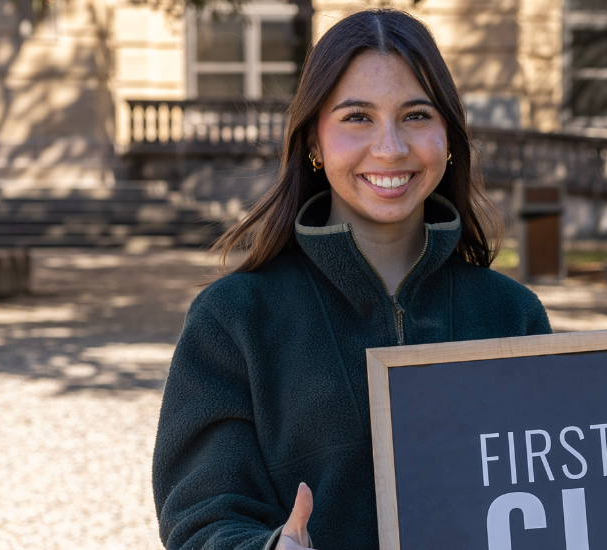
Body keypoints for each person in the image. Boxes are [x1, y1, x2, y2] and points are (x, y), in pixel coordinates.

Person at [152, 9, 551, 550]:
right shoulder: (233, 319)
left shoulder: (514, 316)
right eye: (357, 117)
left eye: (415, 115)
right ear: (313, 142)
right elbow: (201, 516)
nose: (390, 147)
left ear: (449, 137)